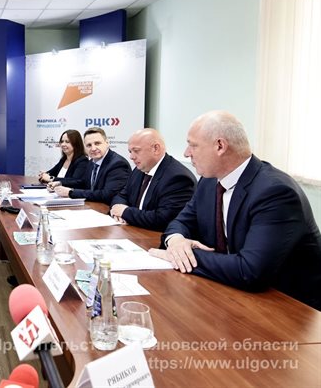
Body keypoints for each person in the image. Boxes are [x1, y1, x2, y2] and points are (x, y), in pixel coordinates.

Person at [150, 111, 321, 310]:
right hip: (230, 291)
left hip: (288, 307)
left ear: (220, 146)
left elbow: (250, 270)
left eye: (193, 145)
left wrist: (182, 256)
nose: (187, 153)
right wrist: (176, 241)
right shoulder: (209, 182)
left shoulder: (275, 192)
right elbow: (180, 222)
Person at [110, 128, 196, 231]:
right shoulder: (139, 169)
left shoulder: (178, 178)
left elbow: (163, 219)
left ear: (156, 149)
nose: (131, 157)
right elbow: (122, 195)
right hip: (134, 231)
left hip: (157, 236)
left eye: (136, 151)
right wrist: (117, 208)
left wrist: (125, 212)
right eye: (130, 151)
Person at [50, 127, 131, 204]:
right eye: (89, 145)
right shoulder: (92, 161)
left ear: (107, 143)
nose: (93, 148)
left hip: (109, 209)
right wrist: (60, 183)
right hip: (92, 206)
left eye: (97, 143)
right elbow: (83, 183)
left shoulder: (118, 164)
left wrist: (71, 192)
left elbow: (107, 195)